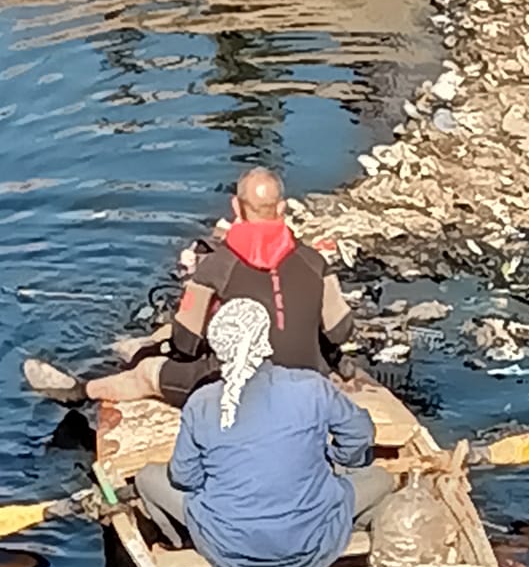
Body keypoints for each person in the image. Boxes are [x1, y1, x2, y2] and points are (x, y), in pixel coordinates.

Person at [22, 167, 354, 408]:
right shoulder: (315, 263)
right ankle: (125, 350)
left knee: (149, 373)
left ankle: (80, 392)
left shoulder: (215, 268)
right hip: (309, 377)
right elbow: (340, 331)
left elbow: (185, 342)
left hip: (237, 386)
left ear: (235, 209)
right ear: (282, 208)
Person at [134, 298, 394, 567]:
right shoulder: (310, 387)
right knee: (383, 479)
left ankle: (181, 544)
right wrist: (341, 462)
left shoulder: (201, 403)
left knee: (147, 477)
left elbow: (185, 478)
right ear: (265, 340)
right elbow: (360, 434)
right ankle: (355, 537)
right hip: (316, 548)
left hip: (229, 552)